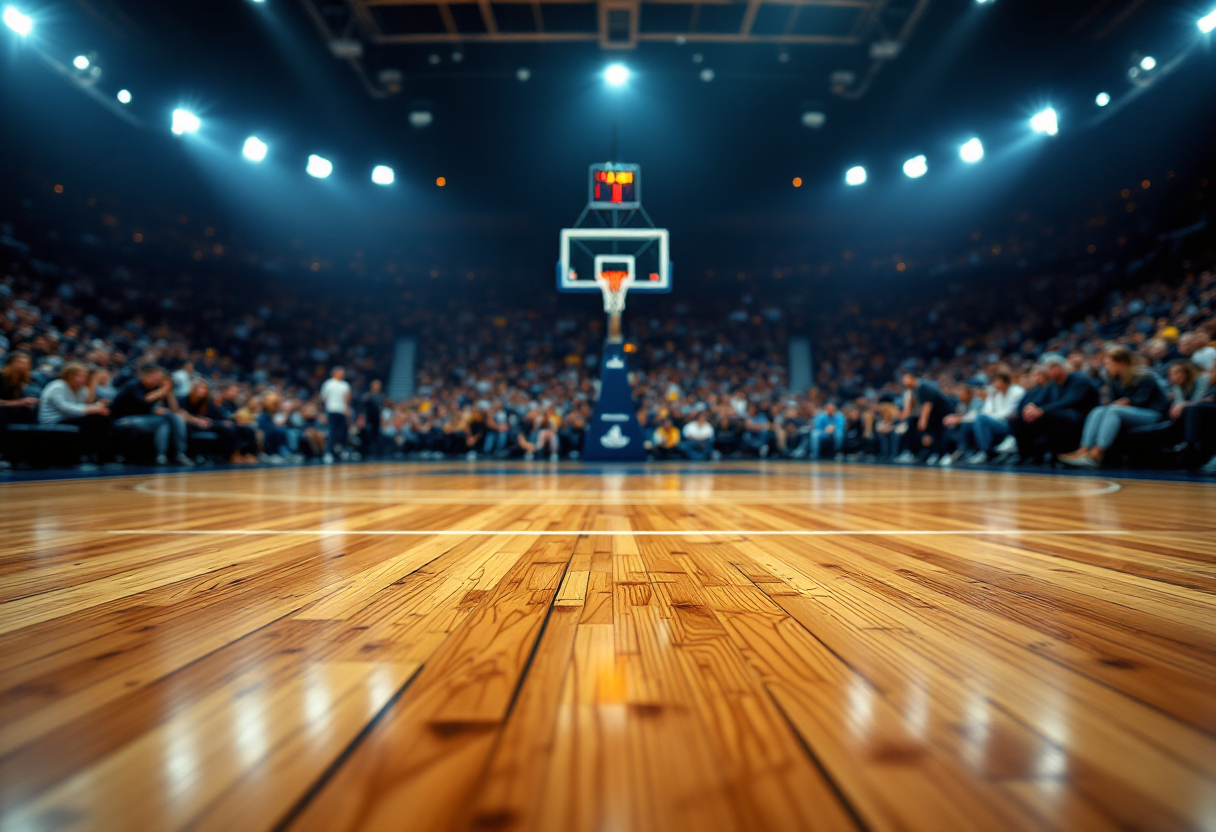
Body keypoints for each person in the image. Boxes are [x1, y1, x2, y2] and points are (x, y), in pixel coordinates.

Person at [1060, 346, 1170, 468]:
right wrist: (1118, 402)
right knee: (1098, 410)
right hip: (1126, 411)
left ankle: (1098, 453)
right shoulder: (1113, 379)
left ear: (1120, 363)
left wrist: (1126, 402)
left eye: (1108, 363)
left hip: (1152, 413)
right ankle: (1084, 449)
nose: (1106, 367)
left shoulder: (1145, 376)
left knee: (1113, 410)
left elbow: (1141, 400)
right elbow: (1112, 400)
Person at [1007, 354, 1098, 464]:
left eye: (1050, 368)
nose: (1047, 371)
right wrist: (1030, 408)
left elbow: (1069, 401)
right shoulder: (1052, 384)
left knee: (1051, 416)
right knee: (1018, 419)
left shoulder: (1079, 380)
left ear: (1058, 367)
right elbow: (1039, 401)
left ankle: (1057, 456)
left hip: (1080, 417)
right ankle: (1026, 456)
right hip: (1056, 414)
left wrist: (1042, 410)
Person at [109, 364, 193, 466]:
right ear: (145, 376)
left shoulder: (155, 387)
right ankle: (173, 454)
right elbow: (144, 401)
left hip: (144, 419)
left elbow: (175, 409)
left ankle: (164, 456)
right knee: (165, 420)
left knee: (172, 418)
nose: (158, 378)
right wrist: (162, 391)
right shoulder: (133, 385)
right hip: (124, 419)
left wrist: (169, 391)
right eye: (156, 375)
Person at [37, 362, 111, 465]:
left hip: (69, 418)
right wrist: (92, 408)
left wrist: (97, 406)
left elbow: (85, 404)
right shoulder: (57, 386)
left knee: (101, 417)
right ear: (69, 375)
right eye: (80, 376)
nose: (83, 379)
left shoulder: (81, 389)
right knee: (92, 419)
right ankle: (89, 454)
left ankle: (101, 455)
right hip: (54, 421)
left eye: (85, 376)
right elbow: (65, 408)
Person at [951, 369, 1026, 465]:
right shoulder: (996, 394)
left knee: (980, 418)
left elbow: (1009, 413)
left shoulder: (1016, 391)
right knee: (977, 420)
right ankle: (977, 451)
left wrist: (990, 415)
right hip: (997, 422)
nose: (994, 384)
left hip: (1010, 423)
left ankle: (985, 452)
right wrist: (991, 397)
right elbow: (986, 411)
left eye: (996, 381)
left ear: (1003, 380)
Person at [894, 372, 953, 463]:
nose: (903, 382)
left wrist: (923, 420)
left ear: (912, 378)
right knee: (924, 431)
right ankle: (932, 454)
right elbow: (911, 407)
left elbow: (927, 404)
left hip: (943, 412)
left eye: (905, 379)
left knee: (939, 433)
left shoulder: (923, 387)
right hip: (934, 414)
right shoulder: (914, 390)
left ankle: (945, 455)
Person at [318, 366, 352, 464]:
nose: (341, 374)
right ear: (334, 373)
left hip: (342, 411)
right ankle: (328, 453)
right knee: (331, 432)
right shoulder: (328, 384)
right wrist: (323, 412)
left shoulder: (345, 385)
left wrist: (347, 410)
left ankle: (342, 451)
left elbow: (347, 399)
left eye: (343, 373)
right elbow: (323, 398)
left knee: (343, 432)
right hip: (331, 410)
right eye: (339, 372)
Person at [359, 379, 386, 458]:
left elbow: (381, 408)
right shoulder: (367, 396)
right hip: (368, 419)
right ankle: (365, 452)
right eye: (376, 385)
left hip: (377, 419)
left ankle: (377, 453)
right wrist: (361, 418)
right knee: (367, 435)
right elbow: (362, 408)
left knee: (377, 436)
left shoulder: (381, 396)